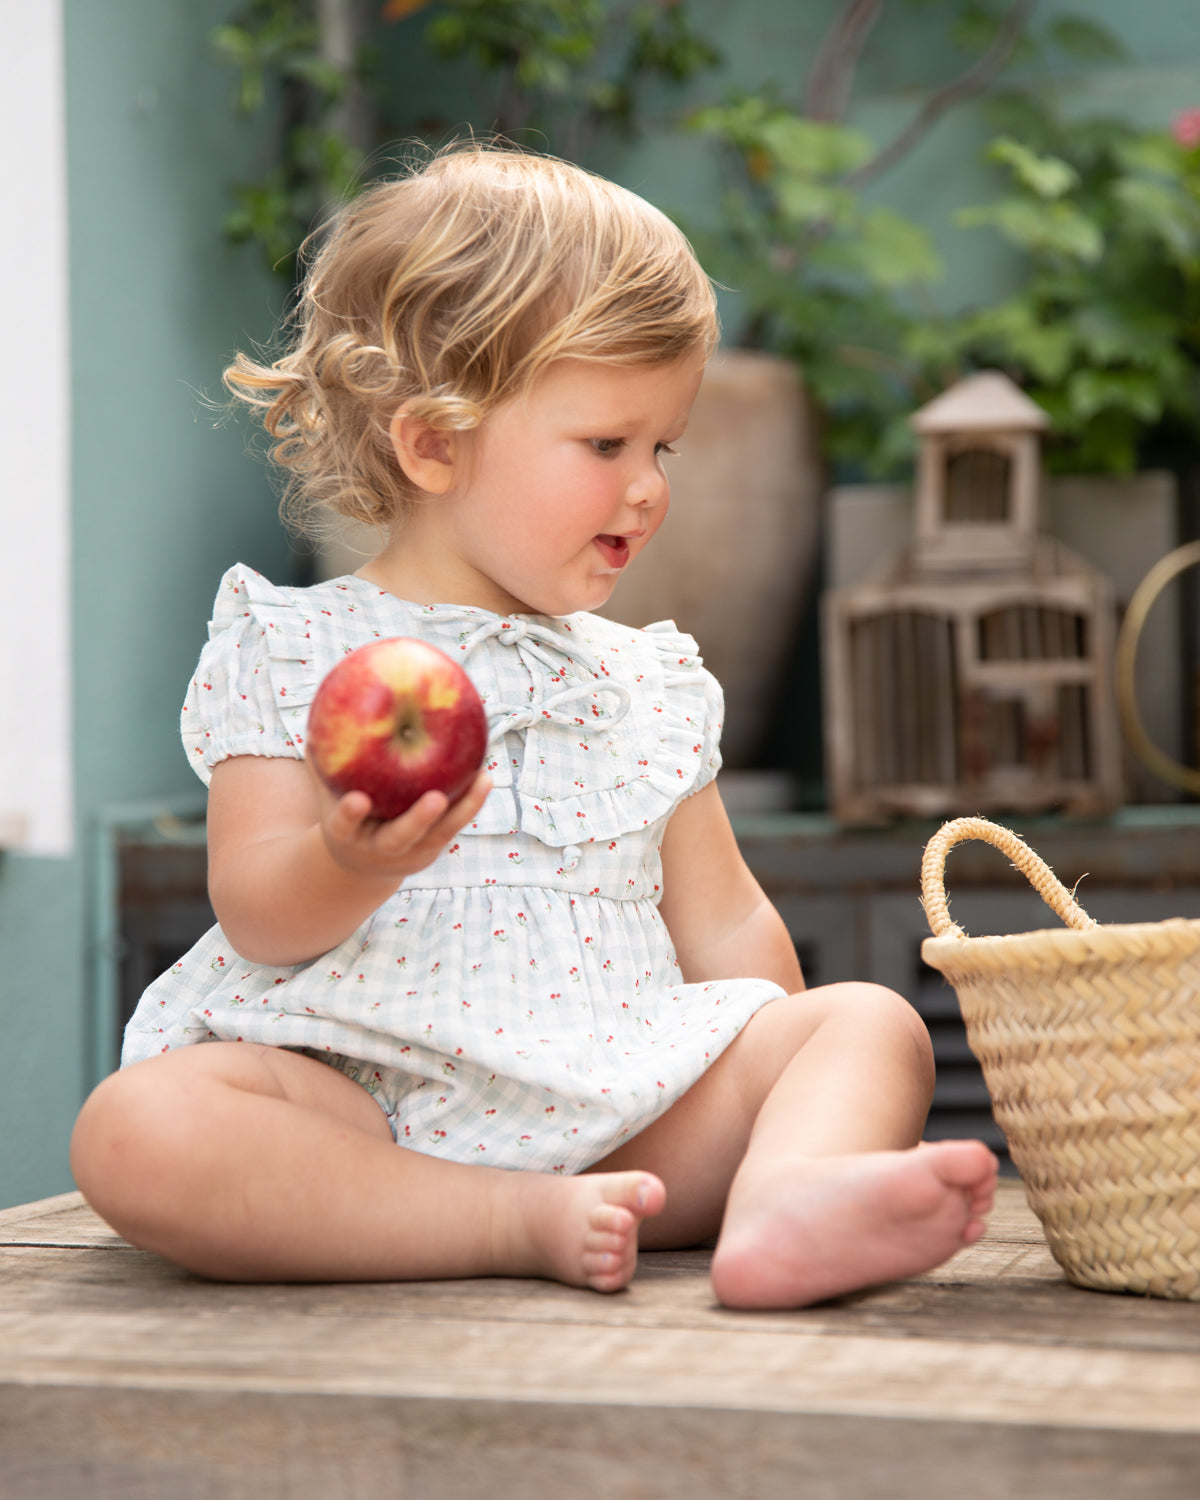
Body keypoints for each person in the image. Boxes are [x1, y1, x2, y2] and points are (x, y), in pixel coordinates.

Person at [70, 142, 997, 1307]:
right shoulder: (296, 646)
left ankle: (784, 1203)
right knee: (139, 1129)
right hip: (365, 1114)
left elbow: (727, 924)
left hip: (623, 1126)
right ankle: (506, 1220)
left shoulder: (647, 680)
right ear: (433, 443)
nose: (649, 485)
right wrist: (352, 859)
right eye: (606, 444)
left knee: (867, 1025)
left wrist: (782, 1074)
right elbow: (255, 910)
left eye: (662, 446)